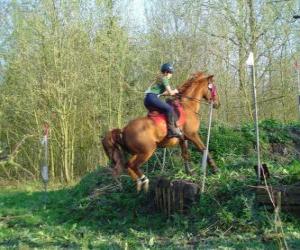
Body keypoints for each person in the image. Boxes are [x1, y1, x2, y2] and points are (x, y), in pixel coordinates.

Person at [144, 63, 183, 138]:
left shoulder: (160, 79)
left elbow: (163, 93)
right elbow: (170, 92)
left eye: (171, 72)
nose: (171, 74)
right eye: (169, 72)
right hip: (152, 98)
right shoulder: (165, 79)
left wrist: (173, 92)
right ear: (165, 72)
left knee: (163, 112)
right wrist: (175, 91)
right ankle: (171, 130)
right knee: (169, 108)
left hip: (148, 99)